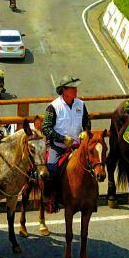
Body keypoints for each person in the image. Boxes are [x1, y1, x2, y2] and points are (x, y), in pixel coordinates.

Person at [41, 76, 90, 213]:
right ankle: (50, 198)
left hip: (78, 146)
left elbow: (87, 122)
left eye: (75, 87)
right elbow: (46, 128)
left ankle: (90, 199)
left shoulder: (81, 104)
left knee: (93, 165)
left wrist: (85, 132)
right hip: (58, 147)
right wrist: (61, 138)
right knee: (51, 169)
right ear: (64, 90)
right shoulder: (53, 107)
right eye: (72, 88)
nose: (76, 90)